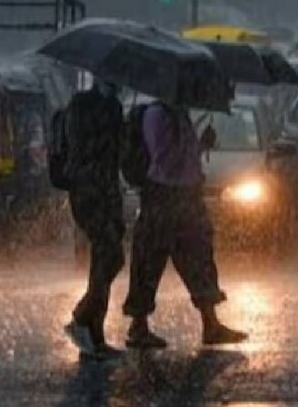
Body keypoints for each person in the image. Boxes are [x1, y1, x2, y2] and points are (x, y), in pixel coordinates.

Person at [123, 101, 247, 349]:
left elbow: (183, 159)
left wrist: (201, 145)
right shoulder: (157, 115)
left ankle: (210, 323)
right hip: (164, 196)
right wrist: (190, 146)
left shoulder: (180, 114)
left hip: (187, 197)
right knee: (149, 261)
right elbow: (164, 161)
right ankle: (138, 326)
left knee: (199, 258)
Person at [63, 79, 126, 360]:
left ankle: (93, 330)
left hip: (109, 189)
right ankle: (82, 319)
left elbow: (118, 154)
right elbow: (84, 147)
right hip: (88, 190)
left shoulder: (115, 106)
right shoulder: (81, 104)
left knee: (110, 259)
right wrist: (111, 131)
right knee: (107, 254)